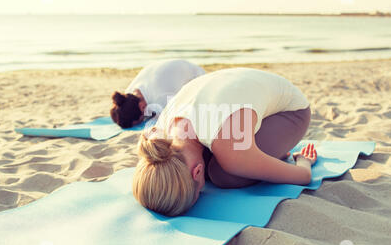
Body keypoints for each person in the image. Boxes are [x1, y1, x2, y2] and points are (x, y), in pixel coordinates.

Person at [132, 67, 316, 216]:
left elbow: (303, 176)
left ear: (197, 172)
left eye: (198, 194)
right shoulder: (161, 135)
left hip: (290, 111)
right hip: (234, 85)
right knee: (224, 161)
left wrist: (304, 161)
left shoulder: (232, 150)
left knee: (222, 175)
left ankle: (255, 158)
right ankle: (256, 157)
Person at [110, 59, 205, 128]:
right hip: (178, 67)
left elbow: (176, 115)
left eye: (140, 119)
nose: (142, 121)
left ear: (142, 106)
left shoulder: (160, 98)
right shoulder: (129, 94)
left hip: (198, 78)